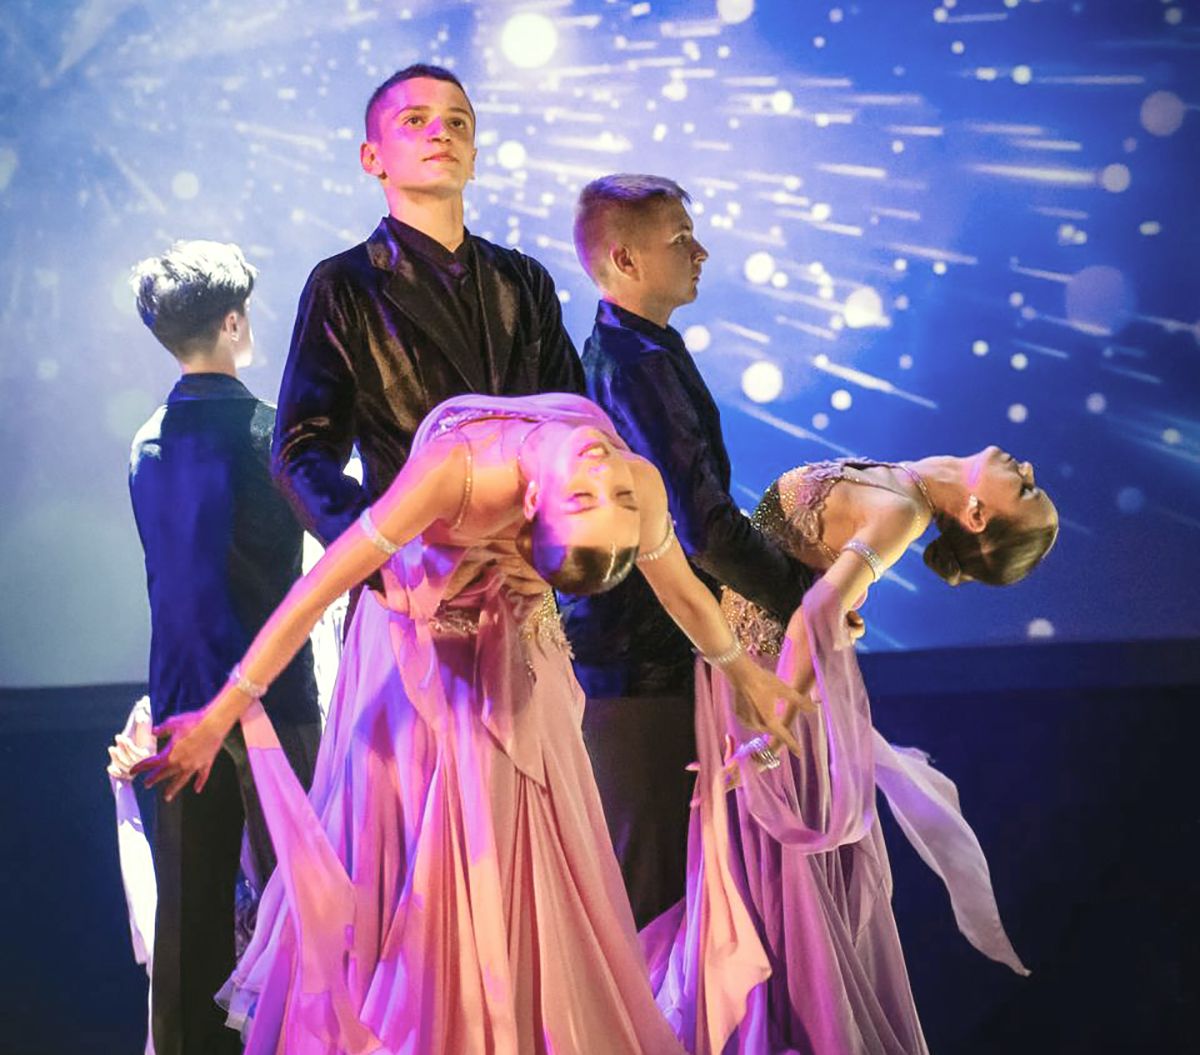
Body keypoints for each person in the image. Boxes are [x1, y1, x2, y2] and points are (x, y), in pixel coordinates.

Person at [133, 392, 808, 1055]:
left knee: (530, 850)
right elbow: (322, 586)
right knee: (426, 855)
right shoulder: (455, 470)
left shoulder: (617, 483)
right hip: (420, 650)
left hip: (518, 653)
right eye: (600, 498)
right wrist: (223, 711)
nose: (607, 476)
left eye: (605, 501)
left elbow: (682, 594)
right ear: (532, 502)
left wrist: (745, 674)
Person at [642, 449, 1059, 1054]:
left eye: (1024, 492)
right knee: (749, 884)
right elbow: (816, 591)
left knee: (765, 891)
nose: (1028, 471)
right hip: (751, 670)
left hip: (765, 686)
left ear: (975, 515)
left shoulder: (903, 513)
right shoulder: (902, 483)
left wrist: (771, 738)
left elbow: (815, 616)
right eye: (1032, 485)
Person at [563, 174, 817, 926]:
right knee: (658, 902)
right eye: (681, 239)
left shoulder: (640, 351)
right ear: (625, 259)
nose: (700, 251)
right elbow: (701, 525)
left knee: (676, 893)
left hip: (655, 658)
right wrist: (808, 597)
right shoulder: (635, 363)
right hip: (639, 664)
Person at [126, 240, 322, 1055]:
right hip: (272, 696)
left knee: (190, 919)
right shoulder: (273, 436)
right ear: (235, 321)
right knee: (301, 907)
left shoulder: (146, 440)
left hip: (181, 704)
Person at [272, 63, 583, 549]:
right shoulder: (345, 284)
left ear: (473, 159)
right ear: (372, 157)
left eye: (458, 122)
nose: (441, 132)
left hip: (527, 569)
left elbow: (574, 425)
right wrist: (386, 554)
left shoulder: (524, 280)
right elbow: (301, 452)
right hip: (416, 573)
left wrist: (554, 543)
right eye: (415, 120)